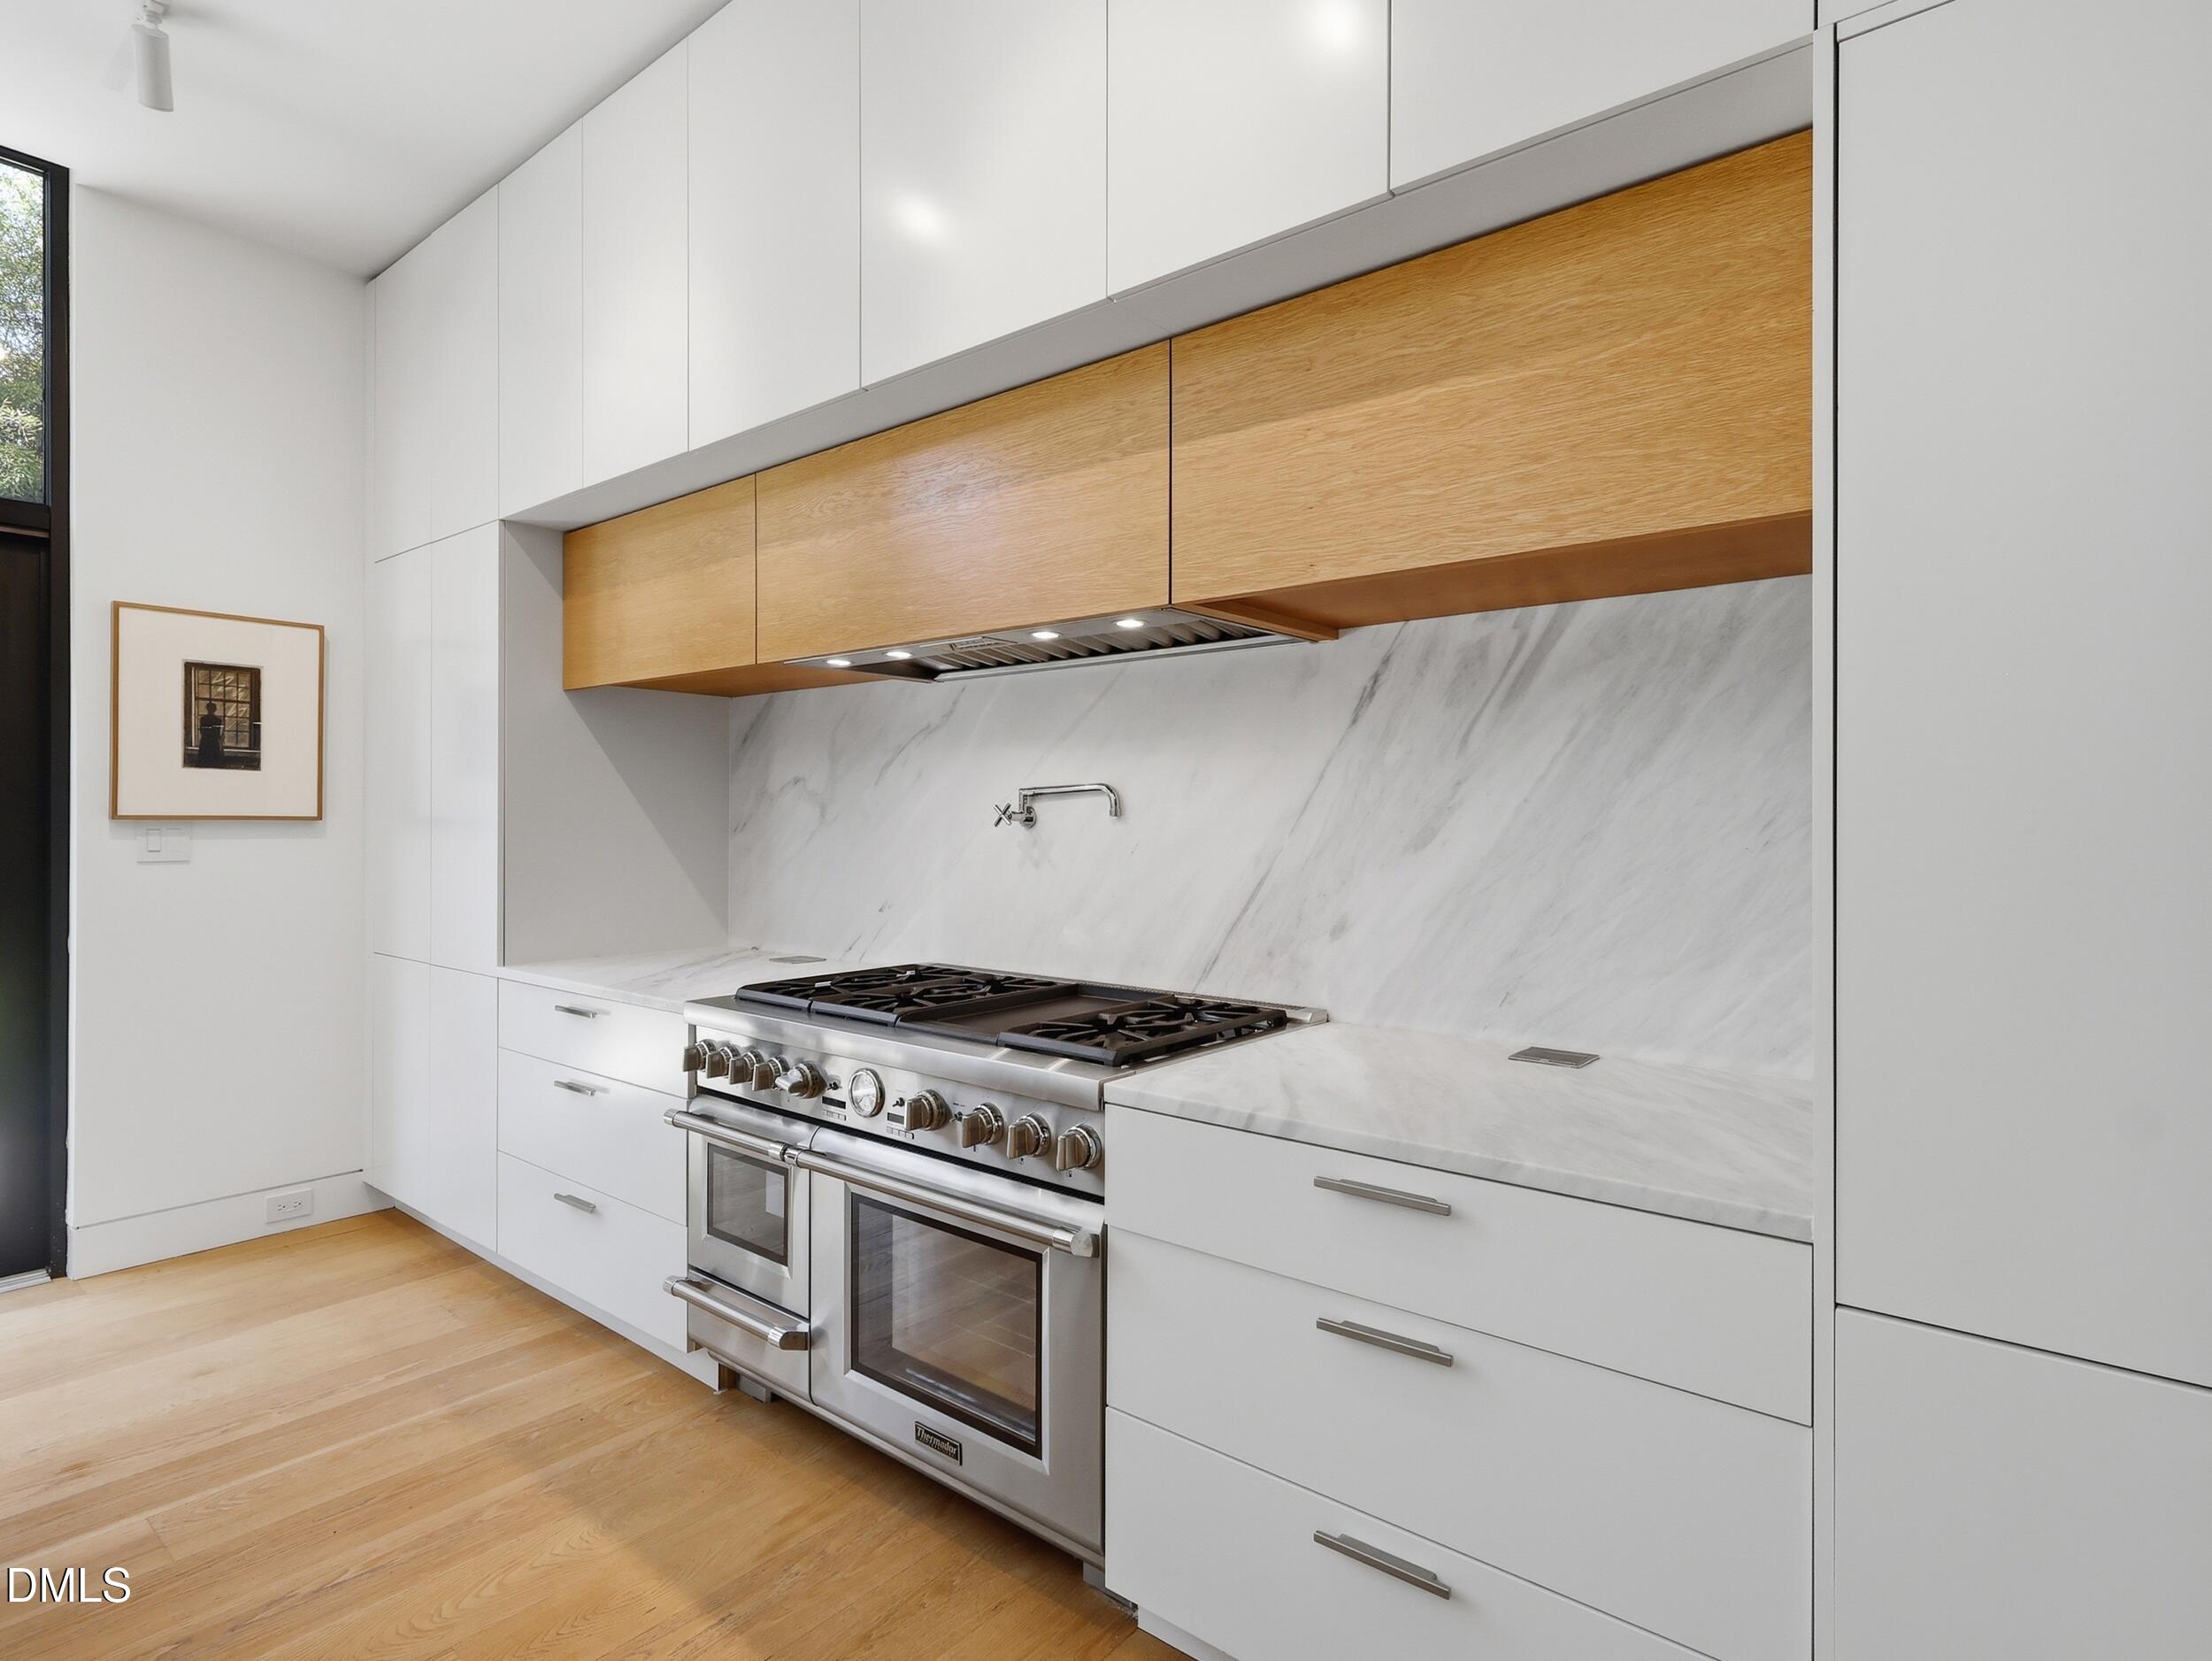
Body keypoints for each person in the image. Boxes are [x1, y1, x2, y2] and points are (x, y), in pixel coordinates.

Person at [196, 700, 224, 767]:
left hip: (207, 741)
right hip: (212, 741)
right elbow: (218, 733)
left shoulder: (203, 719)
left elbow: (202, 731)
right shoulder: (218, 720)